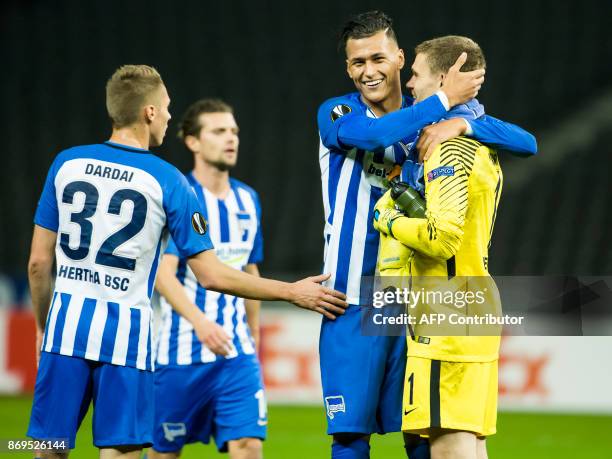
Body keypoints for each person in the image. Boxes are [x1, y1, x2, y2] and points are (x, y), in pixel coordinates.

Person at [26, 65, 347, 459]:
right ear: (148, 113)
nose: (166, 117)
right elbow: (210, 274)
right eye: (165, 108)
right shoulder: (168, 180)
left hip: (66, 330)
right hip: (127, 339)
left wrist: (44, 326)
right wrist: (292, 292)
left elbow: (40, 264)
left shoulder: (66, 164)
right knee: (123, 450)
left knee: (48, 447)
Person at [316, 11, 536, 459]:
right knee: (350, 437)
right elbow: (375, 137)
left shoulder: (433, 124)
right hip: (350, 296)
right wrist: (442, 106)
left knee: (423, 435)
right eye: (357, 62)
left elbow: (526, 142)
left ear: (399, 59)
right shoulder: (338, 112)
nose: (368, 70)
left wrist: (463, 122)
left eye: (377, 58)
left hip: (413, 300)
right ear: (347, 69)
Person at [373, 36, 505, 459]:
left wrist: (389, 220)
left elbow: (442, 237)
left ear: (446, 77)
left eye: (416, 73)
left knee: (450, 445)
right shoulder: (480, 142)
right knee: (467, 438)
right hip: (471, 301)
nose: (409, 83)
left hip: (447, 312)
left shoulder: (447, 147)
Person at [149, 98, 267, 459]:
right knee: (163, 452)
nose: (231, 138)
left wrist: (254, 335)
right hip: (182, 351)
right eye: (218, 131)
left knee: (248, 444)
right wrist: (200, 322)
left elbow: (250, 270)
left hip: (237, 355)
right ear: (193, 142)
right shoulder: (179, 196)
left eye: (233, 131)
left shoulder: (248, 199)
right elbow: (162, 274)